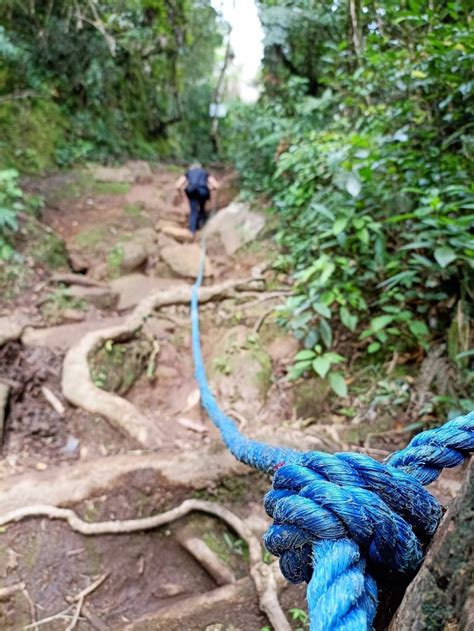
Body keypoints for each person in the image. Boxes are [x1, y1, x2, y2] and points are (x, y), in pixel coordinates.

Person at [175, 163, 219, 236]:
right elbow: (216, 185)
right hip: (203, 192)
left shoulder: (188, 172)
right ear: (200, 168)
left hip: (192, 192)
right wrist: (210, 188)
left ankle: (192, 231)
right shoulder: (205, 172)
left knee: (193, 211)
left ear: (191, 168)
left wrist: (181, 197)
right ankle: (202, 229)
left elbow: (177, 185)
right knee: (202, 209)